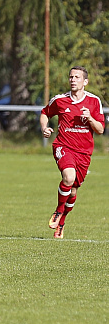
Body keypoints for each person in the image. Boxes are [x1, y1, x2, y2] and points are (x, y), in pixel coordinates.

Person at [40, 66, 104, 239]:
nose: (73, 80)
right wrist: (45, 128)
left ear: (85, 81)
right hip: (63, 146)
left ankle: (61, 222)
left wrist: (90, 118)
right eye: (71, 77)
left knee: (73, 191)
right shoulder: (60, 100)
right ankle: (58, 211)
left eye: (77, 77)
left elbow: (100, 130)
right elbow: (45, 113)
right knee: (68, 177)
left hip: (84, 152)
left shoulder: (94, 101)